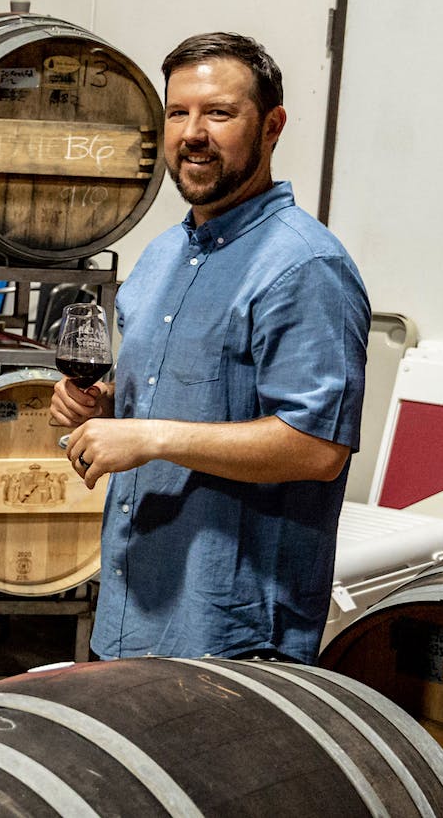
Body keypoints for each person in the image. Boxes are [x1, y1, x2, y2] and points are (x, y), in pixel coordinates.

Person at [51, 32, 371, 664]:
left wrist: (153, 438)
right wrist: (105, 407)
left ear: (273, 125)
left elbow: (317, 448)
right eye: (178, 113)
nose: (192, 133)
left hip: (231, 633)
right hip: (129, 601)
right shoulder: (163, 256)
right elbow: (183, 396)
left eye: (219, 113)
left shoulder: (305, 267)